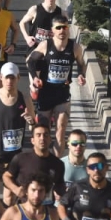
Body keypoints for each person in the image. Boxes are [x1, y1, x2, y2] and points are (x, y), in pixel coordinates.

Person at [26, 15, 87, 150]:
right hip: (45, 93)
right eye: (58, 28)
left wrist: (82, 75)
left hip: (62, 94)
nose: (62, 31)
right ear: (53, 30)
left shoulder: (75, 47)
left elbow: (82, 64)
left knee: (61, 130)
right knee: (43, 132)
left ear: (68, 29)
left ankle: (59, 167)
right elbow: (30, 61)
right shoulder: (46, 45)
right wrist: (34, 77)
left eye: (65, 27)